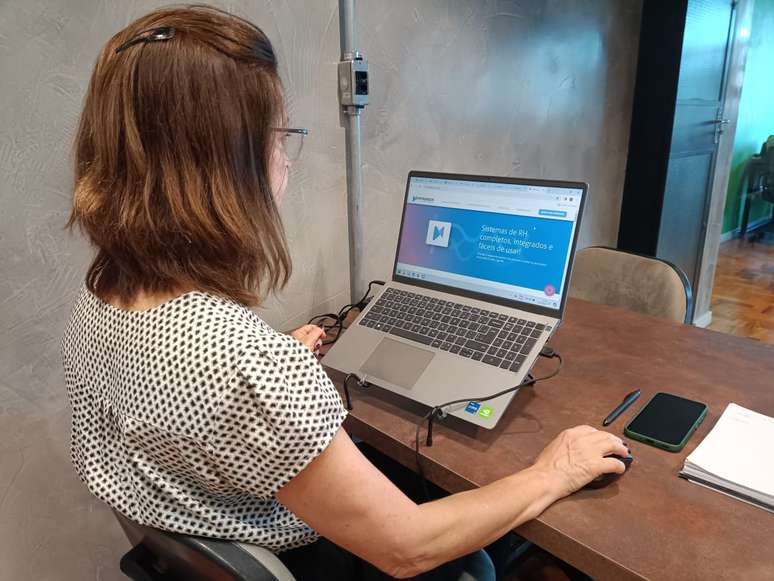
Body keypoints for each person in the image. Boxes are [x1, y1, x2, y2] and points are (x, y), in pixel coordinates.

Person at [61, 6, 629, 580]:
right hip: (312, 555)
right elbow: (410, 548)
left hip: (211, 524)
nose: (285, 158)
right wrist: (554, 470)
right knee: (477, 564)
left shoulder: (99, 297)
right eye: (278, 135)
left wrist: (266, 373)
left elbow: (191, 394)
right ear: (225, 166)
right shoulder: (245, 362)